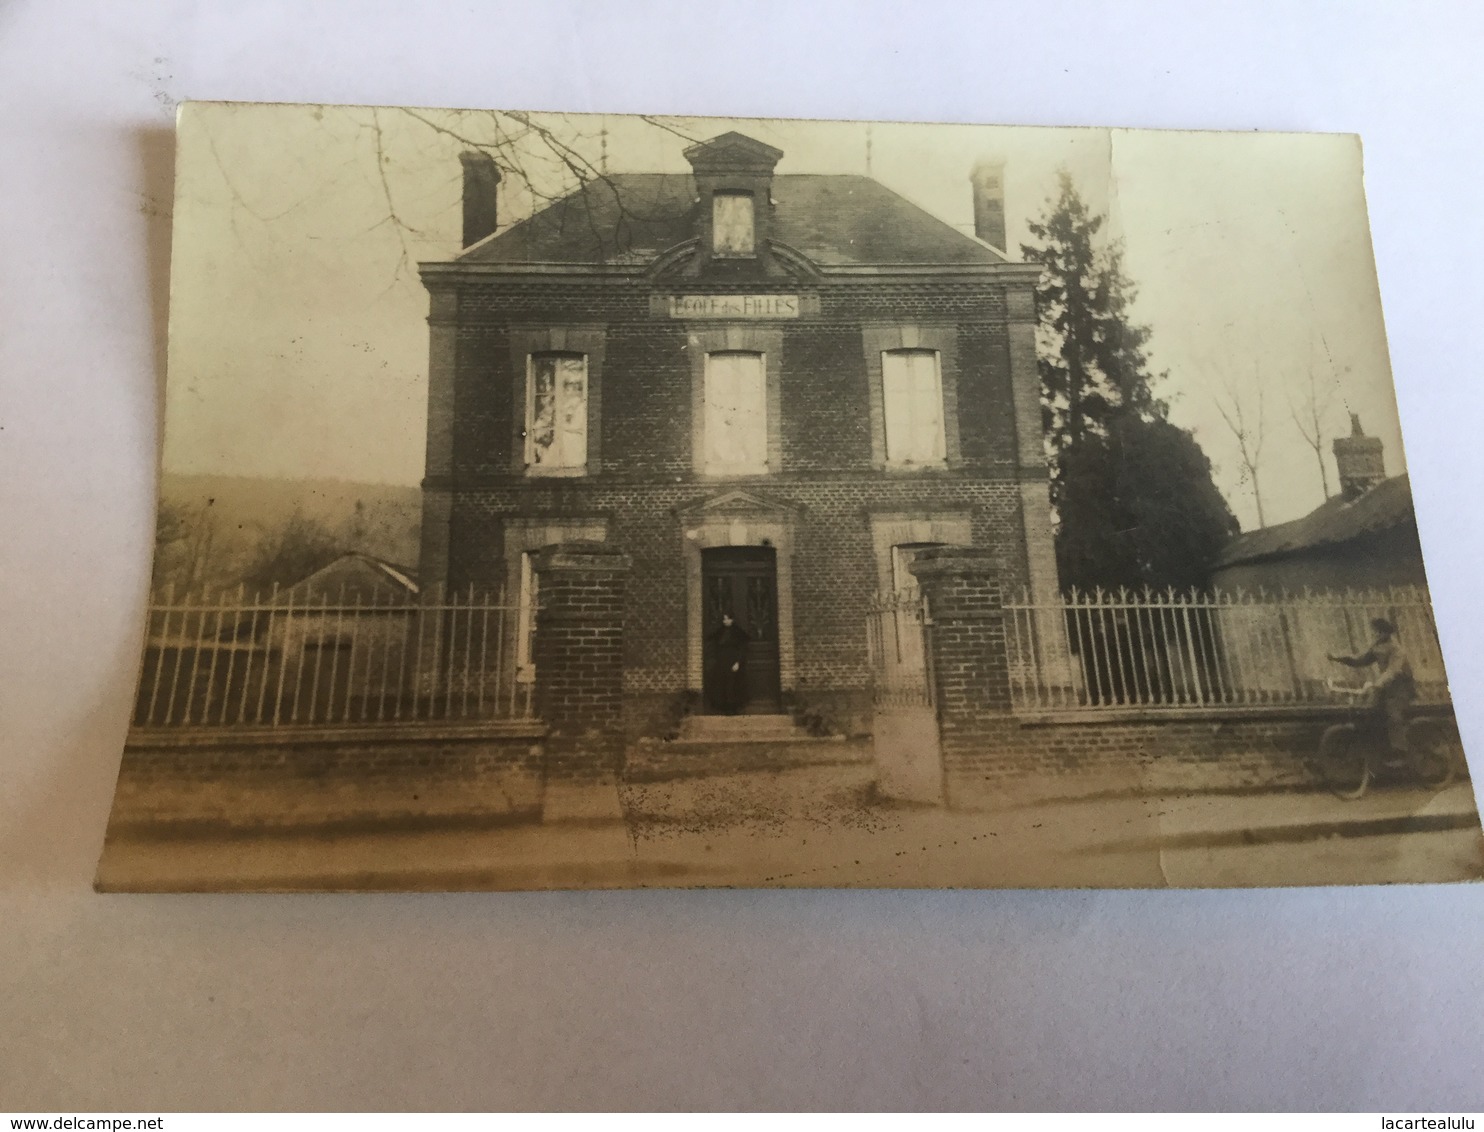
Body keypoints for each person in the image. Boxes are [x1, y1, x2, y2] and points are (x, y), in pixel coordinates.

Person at [1329, 618, 1416, 758]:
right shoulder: (1377, 646)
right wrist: (1338, 658)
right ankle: (1379, 747)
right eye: (1375, 631)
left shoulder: (1396, 649)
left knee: (1393, 714)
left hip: (1401, 688)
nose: (1376, 634)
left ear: (1386, 633)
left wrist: (1379, 682)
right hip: (1386, 686)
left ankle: (1400, 751)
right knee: (1370, 711)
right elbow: (1361, 660)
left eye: (1379, 631)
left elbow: (1393, 670)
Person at [707, 612, 751, 714]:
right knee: (722, 683)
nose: (726, 621)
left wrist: (738, 662)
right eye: (724, 619)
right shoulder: (720, 631)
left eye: (728, 619)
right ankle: (723, 707)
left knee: (733, 683)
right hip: (722, 661)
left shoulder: (738, 632)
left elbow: (742, 649)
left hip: (733, 661)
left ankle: (733, 707)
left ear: (732, 620)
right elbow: (712, 640)